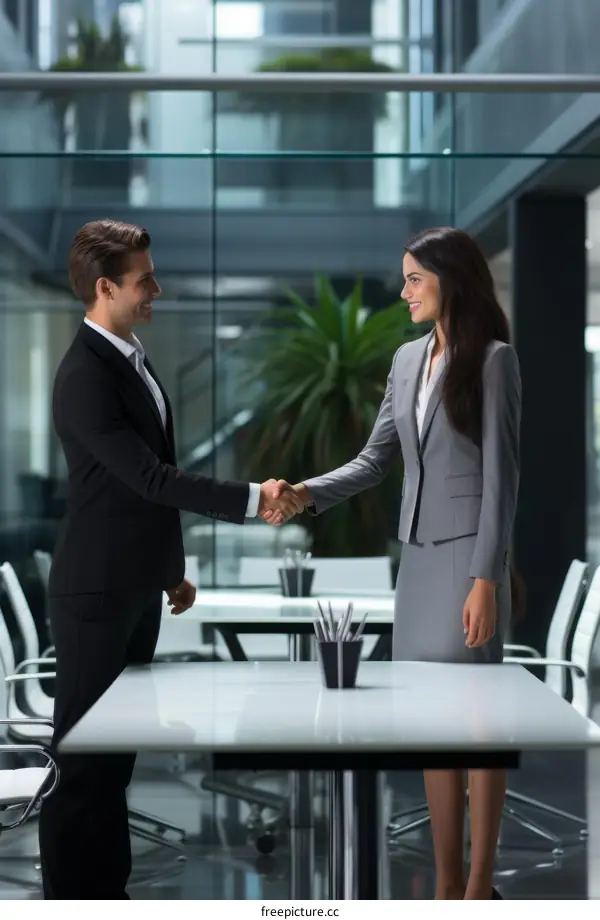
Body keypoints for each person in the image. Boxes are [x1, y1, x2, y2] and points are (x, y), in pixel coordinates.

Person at [39, 218, 302, 900]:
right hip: (94, 594)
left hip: (131, 588)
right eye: (143, 279)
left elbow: (142, 485)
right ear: (104, 288)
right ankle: (73, 901)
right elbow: (152, 480)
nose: (157, 288)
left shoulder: (130, 355)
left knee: (115, 762)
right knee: (85, 765)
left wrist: (167, 569)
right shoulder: (84, 377)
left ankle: (109, 894)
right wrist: (252, 498)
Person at [264, 226, 521, 900]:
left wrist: (487, 578)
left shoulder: (493, 361)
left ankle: (479, 881)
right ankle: (442, 881)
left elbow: (503, 478)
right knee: (435, 726)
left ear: (449, 280)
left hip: (470, 561)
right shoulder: (407, 361)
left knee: (479, 724)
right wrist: (306, 493)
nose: (403, 291)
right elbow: (376, 459)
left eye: (414, 279)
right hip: (417, 560)